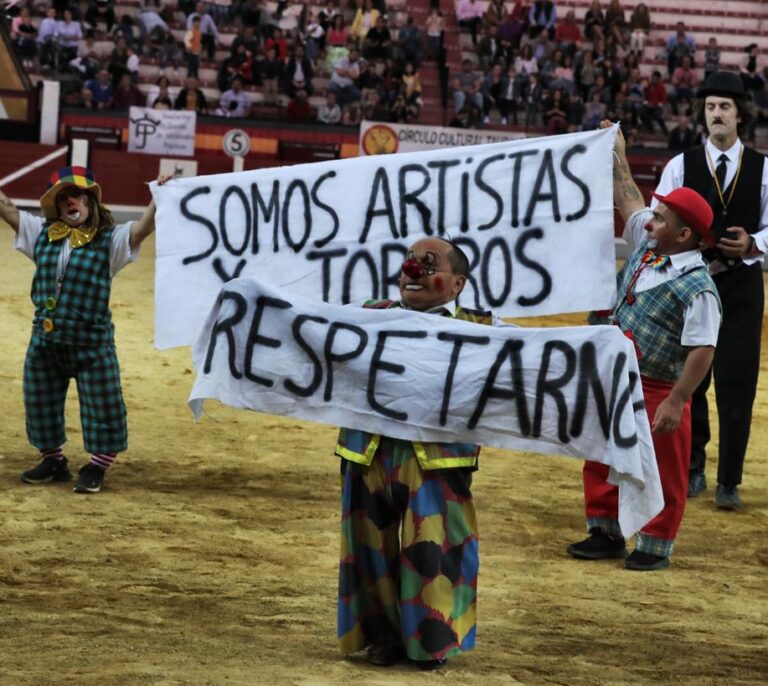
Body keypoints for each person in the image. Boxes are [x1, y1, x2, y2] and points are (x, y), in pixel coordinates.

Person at [567, 123, 722, 571]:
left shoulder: (698, 287)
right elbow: (628, 196)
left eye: (661, 219)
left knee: (663, 465)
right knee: (602, 449)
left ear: (684, 236)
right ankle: (605, 530)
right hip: (617, 375)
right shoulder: (652, 245)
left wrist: (678, 399)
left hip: (658, 386)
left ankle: (655, 543)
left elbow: (702, 350)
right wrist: (617, 151)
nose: (648, 222)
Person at [336, 237, 492, 669]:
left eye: (430, 263)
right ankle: (382, 637)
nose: (413, 269)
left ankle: (431, 642)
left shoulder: (485, 330)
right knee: (368, 547)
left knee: (435, 550)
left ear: (457, 284)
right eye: (410, 260)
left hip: (439, 458)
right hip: (368, 450)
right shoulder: (367, 316)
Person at [0, 167, 171, 493]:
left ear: (90, 202)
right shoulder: (41, 232)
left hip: (91, 343)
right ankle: (53, 460)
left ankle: (97, 466)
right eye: (63, 198)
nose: (70, 202)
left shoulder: (112, 239)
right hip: (46, 339)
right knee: (39, 401)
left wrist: (158, 198)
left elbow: (143, 229)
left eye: (76, 195)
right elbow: (8, 211)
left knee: (103, 405)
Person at [654, 71, 768, 510]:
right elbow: (655, 216)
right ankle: (693, 467)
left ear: (741, 115)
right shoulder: (680, 165)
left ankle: (729, 481)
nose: (716, 114)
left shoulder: (762, 167)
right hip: (691, 284)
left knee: (737, 381)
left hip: (742, 286)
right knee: (690, 379)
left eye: (724, 107)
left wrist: (754, 244)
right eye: (710, 107)